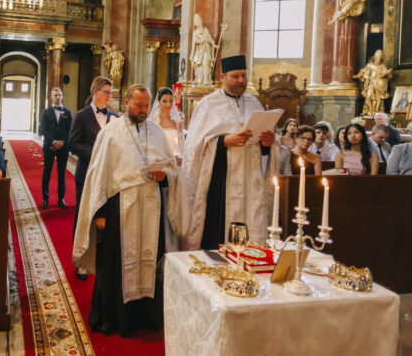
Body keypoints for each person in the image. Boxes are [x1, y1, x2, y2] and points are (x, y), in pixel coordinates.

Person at [73, 84, 181, 336]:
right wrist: (99, 216)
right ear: (127, 103)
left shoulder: (156, 132)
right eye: (138, 105)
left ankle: (146, 317)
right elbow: (98, 177)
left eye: (146, 106)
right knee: (115, 265)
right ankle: (114, 319)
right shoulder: (110, 133)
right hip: (118, 211)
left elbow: (172, 173)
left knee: (150, 261)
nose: (143, 111)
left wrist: (163, 175)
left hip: (152, 210)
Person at [184, 55, 282, 250]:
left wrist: (268, 143)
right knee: (218, 234)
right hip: (220, 182)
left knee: (252, 229)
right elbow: (194, 145)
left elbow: (266, 145)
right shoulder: (208, 104)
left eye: (244, 76)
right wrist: (224, 141)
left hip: (251, 181)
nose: (240, 81)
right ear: (222, 77)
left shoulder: (254, 103)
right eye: (235, 76)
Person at [69, 76, 117, 280]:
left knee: (103, 216)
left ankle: (99, 257)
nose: (109, 96)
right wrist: (96, 154)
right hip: (86, 173)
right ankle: (80, 260)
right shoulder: (81, 116)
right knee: (84, 215)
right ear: (95, 92)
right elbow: (73, 144)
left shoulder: (114, 117)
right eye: (106, 92)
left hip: (108, 176)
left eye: (111, 93)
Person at [39, 87, 72, 209]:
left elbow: (70, 130)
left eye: (59, 95)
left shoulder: (68, 112)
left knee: (62, 174)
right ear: (51, 97)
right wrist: (53, 142)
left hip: (63, 147)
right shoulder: (46, 112)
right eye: (55, 95)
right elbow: (43, 130)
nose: (58, 97)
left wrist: (62, 143)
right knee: (47, 172)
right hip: (49, 146)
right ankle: (45, 199)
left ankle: (61, 199)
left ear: (62, 96)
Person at [149, 87, 184, 164]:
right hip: (160, 162)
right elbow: (151, 147)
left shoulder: (177, 123)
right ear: (158, 102)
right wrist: (169, 158)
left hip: (176, 162)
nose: (168, 104)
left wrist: (181, 158)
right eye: (164, 101)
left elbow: (182, 147)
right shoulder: (153, 122)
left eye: (171, 101)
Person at [353, 49, 392, 116]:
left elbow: (387, 76)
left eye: (380, 57)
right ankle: (370, 110)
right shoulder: (369, 65)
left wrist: (388, 73)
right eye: (377, 57)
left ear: (381, 58)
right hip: (371, 83)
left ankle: (377, 111)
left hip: (379, 85)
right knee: (368, 96)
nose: (378, 59)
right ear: (375, 57)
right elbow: (363, 72)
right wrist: (358, 76)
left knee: (378, 98)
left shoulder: (383, 66)